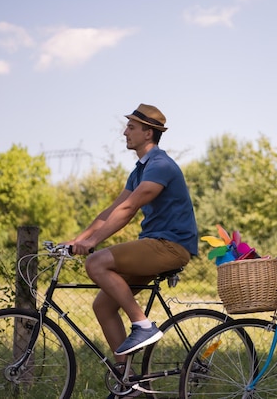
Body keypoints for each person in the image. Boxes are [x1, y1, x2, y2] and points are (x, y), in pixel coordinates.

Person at [67, 103, 198, 366]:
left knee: (96, 262)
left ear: (148, 133)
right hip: (153, 245)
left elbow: (128, 209)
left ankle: (143, 325)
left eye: (131, 127)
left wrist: (93, 243)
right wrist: (79, 240)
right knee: (103, 306)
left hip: (170, 246)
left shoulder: (161, 165)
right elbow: (111, 210)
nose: (124, 132)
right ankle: (126, 383)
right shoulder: (140, 171)